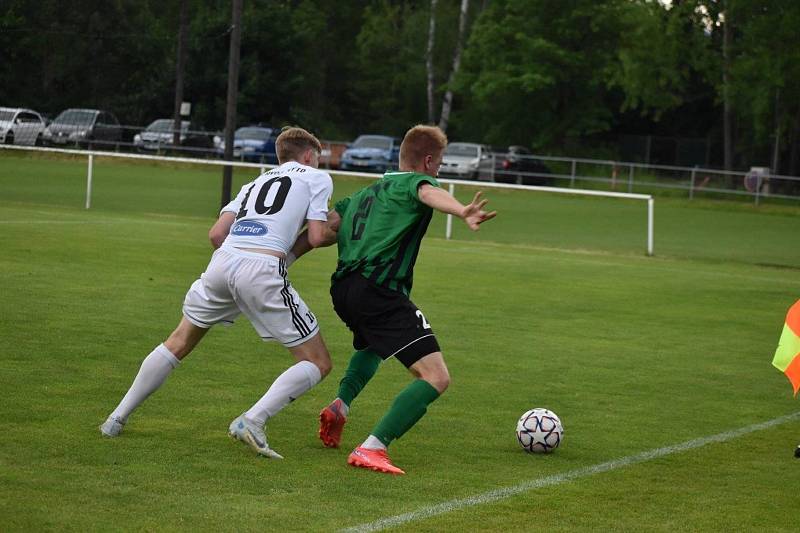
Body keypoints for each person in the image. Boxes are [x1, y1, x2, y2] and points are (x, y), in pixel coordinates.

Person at [100, 127, 336, 460]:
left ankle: (116, 418)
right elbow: (315, 236)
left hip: (222, 263)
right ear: (310, 156)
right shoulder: (316, 177)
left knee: (178, 341)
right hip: (261, 269)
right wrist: (336, 230)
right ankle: (252, 420)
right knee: (318, 362)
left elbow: (216, 235)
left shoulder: (253, 183)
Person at [307, 124, 496, 474]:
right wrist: (461, 210)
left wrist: (279, 254)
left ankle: (340, 405)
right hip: (378, 291)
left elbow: (321, 232)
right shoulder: (415, 183)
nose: (438, 171)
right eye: (438, 164)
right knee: (435, 377)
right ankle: (372, 448)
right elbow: (427, 193)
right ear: (427, 161)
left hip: (343, 290)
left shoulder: (363, 195)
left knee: (374, 345)